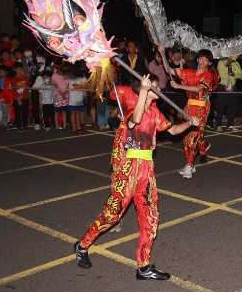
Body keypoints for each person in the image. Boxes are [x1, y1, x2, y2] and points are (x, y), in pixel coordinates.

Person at [74, 74, 196, 280]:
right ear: (144, 89)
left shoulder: (155, 112)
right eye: (154, 87)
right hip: (128, 169)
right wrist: (142, 91)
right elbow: (135, 121)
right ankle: (82, 245)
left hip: (146, 169)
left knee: (150, 217)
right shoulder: (132, 109)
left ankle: (144, 266)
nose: (158, 90)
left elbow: (173, 130)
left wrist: (190, 123)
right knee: (112, 215)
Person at [170, 49, 217, 179]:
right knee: (187, 137)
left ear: (209, 63)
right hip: (190, 107)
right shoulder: (189, 72)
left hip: (202, 109)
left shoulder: (208, 75)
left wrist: (179, 87)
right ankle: (202, 148)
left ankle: (190, 166)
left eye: (206, 60)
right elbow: (170, 71)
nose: (203, 61)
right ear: (197, 59)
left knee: (192, 138)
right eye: (201, 58)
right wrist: (163, 54)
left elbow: (198, 89)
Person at [214, 55, 242, 130]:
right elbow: (222, 73)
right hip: (223, 86)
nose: (236, 56)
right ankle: (218, 125)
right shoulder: (221, 62)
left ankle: (230, 124)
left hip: (233, 86)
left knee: (233, 106)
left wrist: (234, 74)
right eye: (234, 55)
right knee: (221, 107)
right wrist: (229, 61)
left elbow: (240, 74)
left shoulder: (236, 63)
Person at [67, 66, 88, 132]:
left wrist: (79, 86)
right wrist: (80, 86)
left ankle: (76, 127)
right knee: (76, 113)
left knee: (75, 113)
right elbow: (83, 85)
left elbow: (84, 85)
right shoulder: (74, 78)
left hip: (76, 98)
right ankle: (76, 127)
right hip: (76, 97)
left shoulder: (72, 78)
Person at [12, 65, 31, 130]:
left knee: (25, 112)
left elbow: (27, 87)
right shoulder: (14, 79)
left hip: (25, 98)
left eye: (20, 69)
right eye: (18, 69)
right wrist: (18, 99)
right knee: (18, 113)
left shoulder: (25, 78)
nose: (19, 71)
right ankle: (19, 126)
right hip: (17, 99)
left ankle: (25, 125)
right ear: (15, 70)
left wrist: (28, 97)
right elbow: (14, 90)